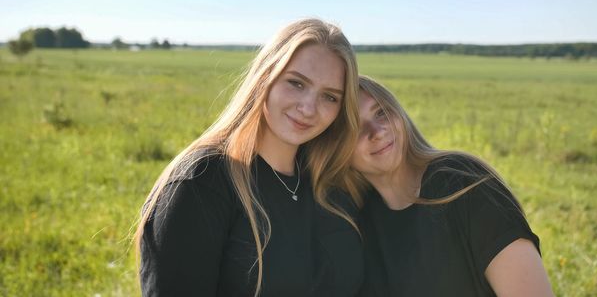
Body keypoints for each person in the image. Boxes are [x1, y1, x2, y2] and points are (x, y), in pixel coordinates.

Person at [135, 19, 364, 297]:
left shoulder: (328, 184)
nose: (308, 108)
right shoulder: (203, 181)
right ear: (265, 76)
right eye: (296, 83)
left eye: (329, 97)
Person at [350, 76, 554, 297]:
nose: (377, 131)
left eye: (381, 112)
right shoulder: (355, 221)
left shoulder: (463, 181)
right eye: (354, 127)